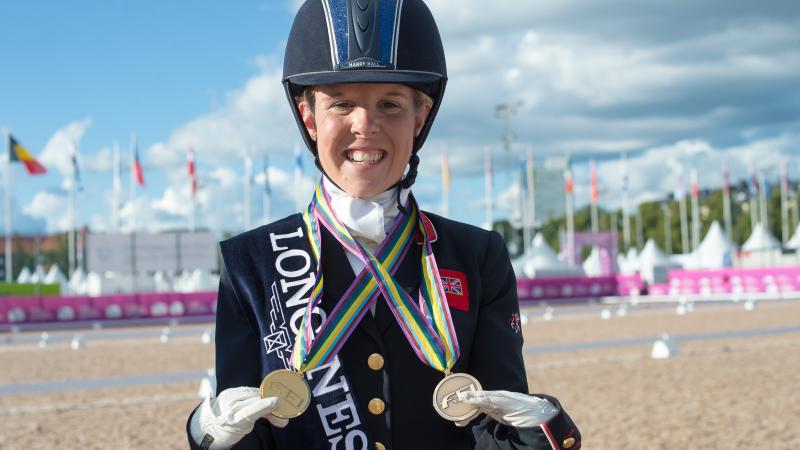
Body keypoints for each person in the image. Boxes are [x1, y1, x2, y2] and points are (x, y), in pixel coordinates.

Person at [187, 1, 581, 449]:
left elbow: (495, 431)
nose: (365, 125)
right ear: (309, 118)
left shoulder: (476, 256)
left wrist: (541, 428)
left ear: (421, 117)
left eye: (389, 105)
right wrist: (210, 437)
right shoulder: (249, 263)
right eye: (342, 104)